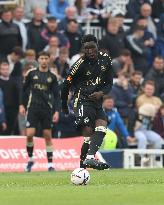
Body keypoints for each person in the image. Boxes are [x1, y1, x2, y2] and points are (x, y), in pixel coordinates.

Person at [61, 34, 113, 170]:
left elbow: (109, 83)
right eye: (86, 48)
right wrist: (64, 105)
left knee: (101, 127)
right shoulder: (79, 64)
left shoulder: (106, 59)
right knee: (88, 131)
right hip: (81, 100)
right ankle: (89, 159)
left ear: (97, 46)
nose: (90, 51)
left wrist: (101, 93)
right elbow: (65, 84)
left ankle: (84, 164)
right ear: (83, 49)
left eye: (92, 47)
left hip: (97, 101)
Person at [19, 51, 60, 172]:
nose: (43, 60)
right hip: (32, 108)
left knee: (47, 136)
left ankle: (50, 164)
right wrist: (22, 104)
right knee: (30, 134)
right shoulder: (31, 73)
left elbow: (57, 96)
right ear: (38, 59)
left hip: (46, 109)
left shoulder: (52, 77)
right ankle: (31, 159)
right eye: (41, 58)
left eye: (46, 58)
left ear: (49, 60)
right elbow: (24, 90)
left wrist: (56, 111)